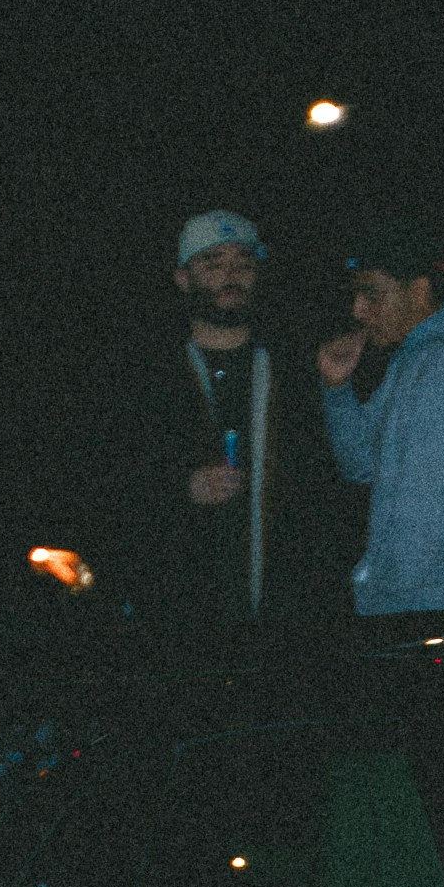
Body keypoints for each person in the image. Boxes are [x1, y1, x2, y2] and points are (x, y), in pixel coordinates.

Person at [317, 240, 444, 617]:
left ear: (419, 290)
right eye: (356, 293)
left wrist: (381, 593)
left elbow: (429, 506)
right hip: (435, 597)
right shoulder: (414, 360)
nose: (358, 309)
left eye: (372, 292)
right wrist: (337, 388)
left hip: (441, 603)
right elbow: (360, 464)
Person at [158, 208, 291, 637]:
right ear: (183, 278)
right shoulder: (147, 377)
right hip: (182, 620)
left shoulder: (294, 371)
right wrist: (181, 487)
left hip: (282, 619)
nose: (231, 275)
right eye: (213, 263)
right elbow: (109, 484)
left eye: (244, 263)